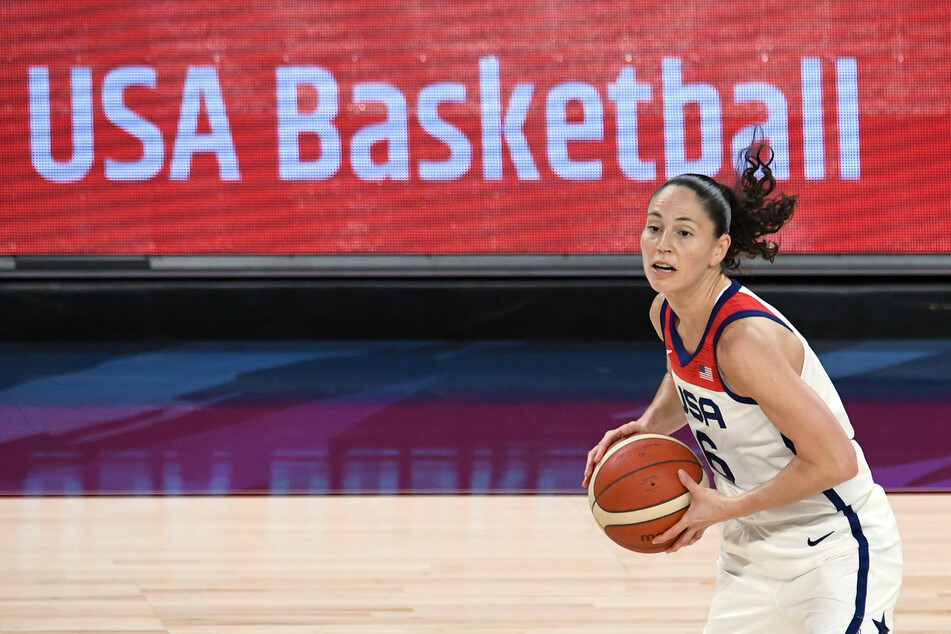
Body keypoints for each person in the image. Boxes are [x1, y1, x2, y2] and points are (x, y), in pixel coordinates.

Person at [581, 141, 903, 633]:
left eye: (683, 233)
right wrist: (648, 427)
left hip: (835, 549)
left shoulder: (744, 342)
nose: (662, 244)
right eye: (654, 227)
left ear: (719, 250)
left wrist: (724, 508)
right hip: (750, 554)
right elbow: (684, 377)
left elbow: (835, 460)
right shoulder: (666, 313)